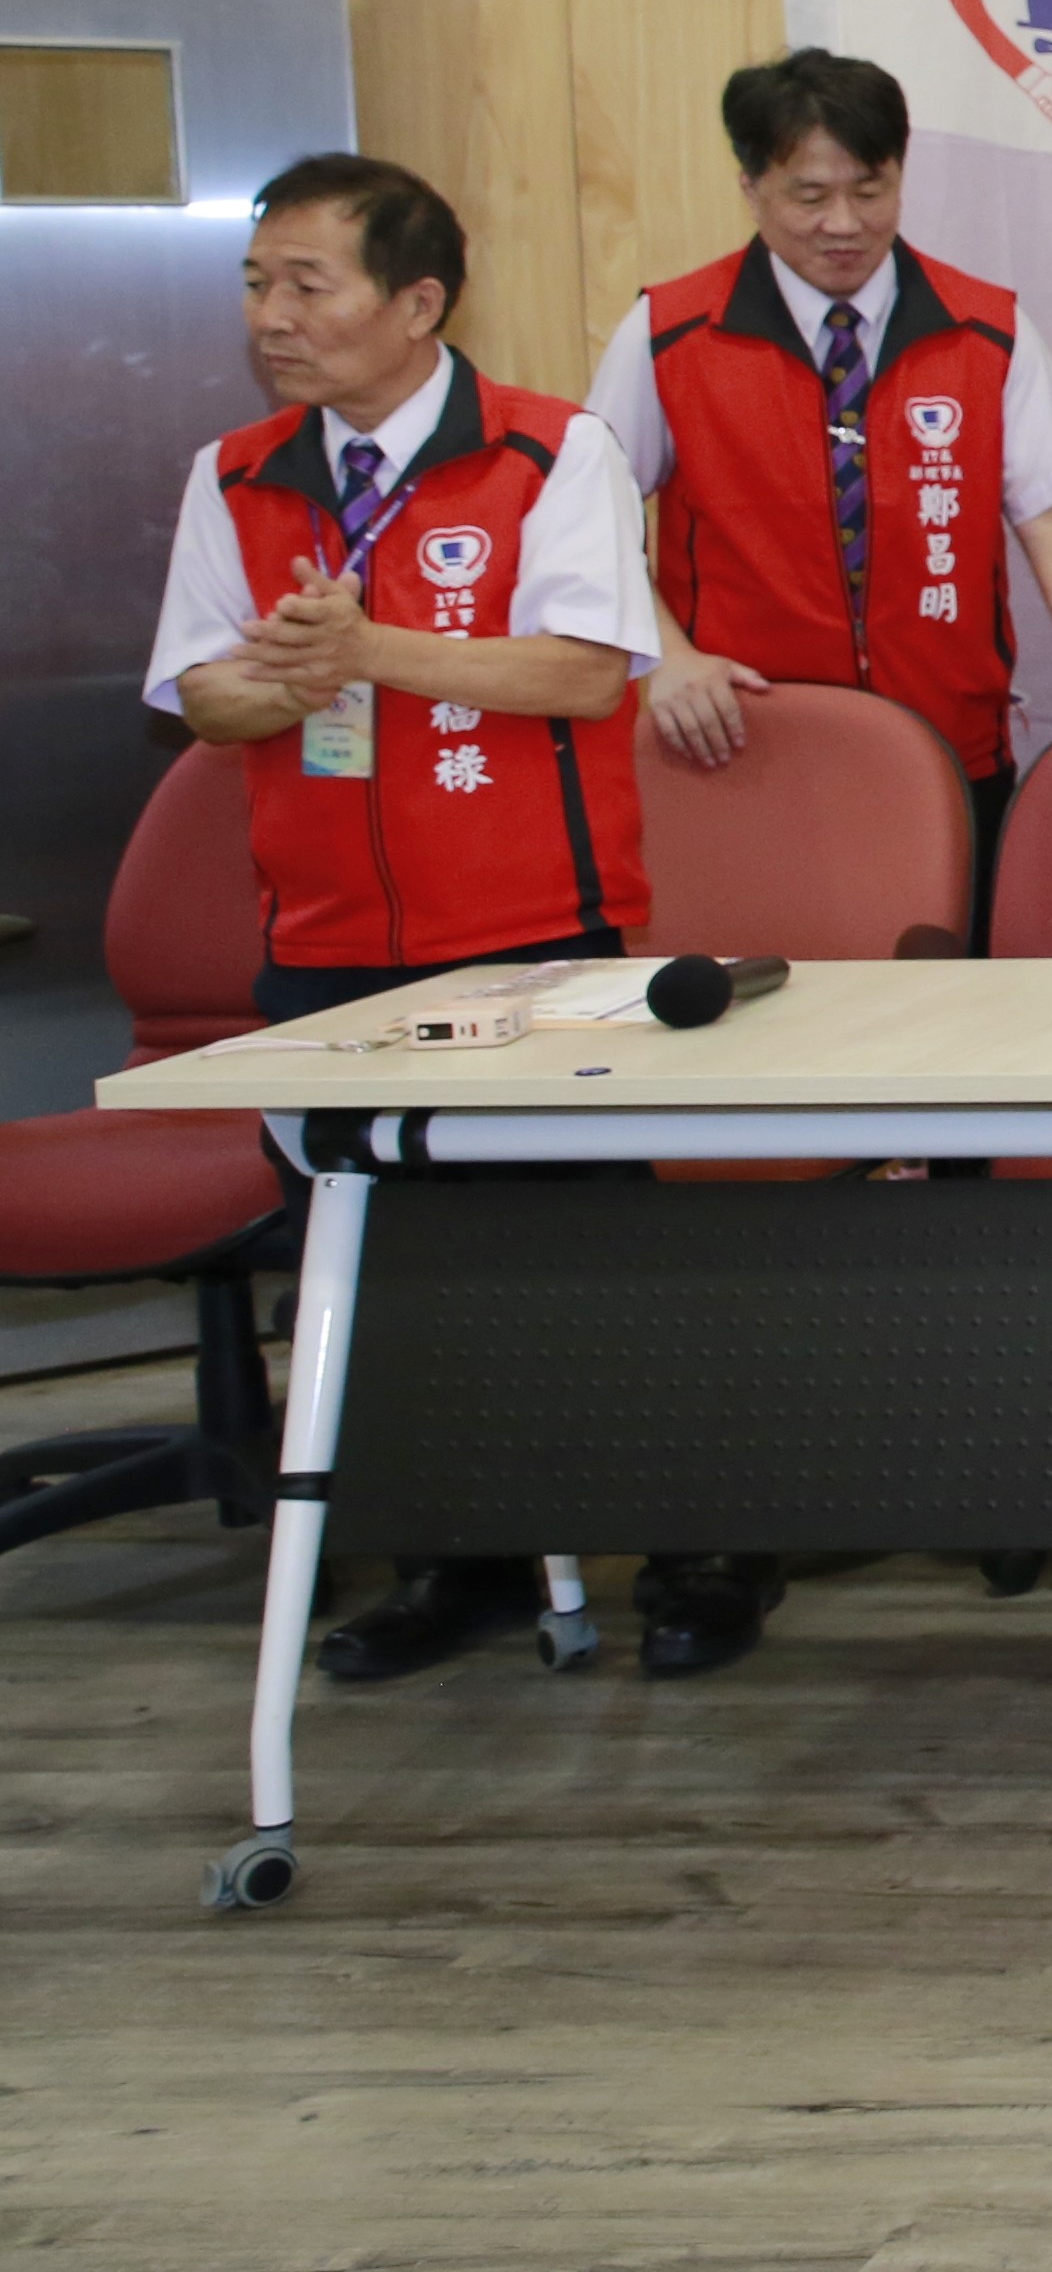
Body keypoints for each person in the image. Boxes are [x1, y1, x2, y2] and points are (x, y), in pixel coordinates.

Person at [142, 155, 661, 1685]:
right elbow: (201, 694)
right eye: (258, 282)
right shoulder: (236, 472)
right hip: (324, 942)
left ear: (418, 301)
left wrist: (369, 649)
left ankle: (687, 1541)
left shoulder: (550, 449)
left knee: (580, 1268)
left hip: (536, 933)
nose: (273, 316)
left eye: (309, 284)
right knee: (376, 1272)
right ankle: (460, 1559)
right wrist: (298, 673)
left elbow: (584, 670)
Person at [586, 47, 1052, 902]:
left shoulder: (985, 329)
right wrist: (667, 658)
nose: (844, 223)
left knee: (948, 976)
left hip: (949, 756)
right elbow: (594, 526)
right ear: (750, 186)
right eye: (810, 196)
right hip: (745, 751)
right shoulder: (670, 333)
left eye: (870, 192)